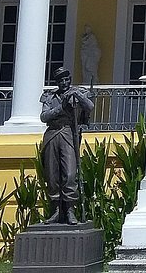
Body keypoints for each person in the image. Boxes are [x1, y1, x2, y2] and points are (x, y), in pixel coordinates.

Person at [39, 67, 94, 225]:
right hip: (52, 134)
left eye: (66, 79)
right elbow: (44, 117)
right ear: (57, 82)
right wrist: (61, 107)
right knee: (52, 175)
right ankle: (56, 210)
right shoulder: (50, 97)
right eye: (61, 80)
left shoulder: (77, 93)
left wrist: (78, 95)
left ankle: (70, 210)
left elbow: (89, 107)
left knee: (69, 173)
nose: (64, 83)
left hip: (68, 133)